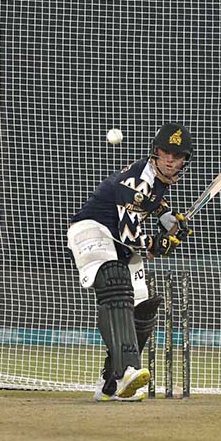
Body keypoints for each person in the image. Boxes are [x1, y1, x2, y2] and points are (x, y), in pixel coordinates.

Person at [67, 122, 194, 402]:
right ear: (155, 153)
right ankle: (127, 370)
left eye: (176, 155)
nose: (170, 159)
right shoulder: (137, 180)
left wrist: (172, 225)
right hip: (92, 229)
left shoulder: (158, 184)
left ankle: (111, 384)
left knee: (143, 309)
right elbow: (130, 234)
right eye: (165, 153)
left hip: (119, 245)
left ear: (184, 160)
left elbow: (154, 208)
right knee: (115, 281)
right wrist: (157, 243)